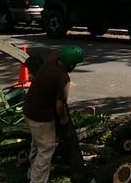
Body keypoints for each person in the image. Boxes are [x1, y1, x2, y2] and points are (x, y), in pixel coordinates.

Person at [22, 44, 83, 183]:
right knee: (46, 148)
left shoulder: (53, 57)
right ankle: (37, 180)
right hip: (41, 117)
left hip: (29, 109)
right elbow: (60, 107)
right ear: (71, 64)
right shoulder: (63, 78)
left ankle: (31, 173)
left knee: (37, 144)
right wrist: (64, 119)